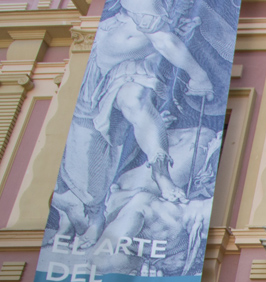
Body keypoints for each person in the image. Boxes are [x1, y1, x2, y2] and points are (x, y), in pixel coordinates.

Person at [56, 0, 216, 249]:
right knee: (90, 178)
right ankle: (89, 215)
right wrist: (200, 76)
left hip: (134, 66)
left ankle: (161, 173)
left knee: (135, 100)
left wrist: (197, 68)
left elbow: (167, 38)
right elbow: (164, 40)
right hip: (93, 83)